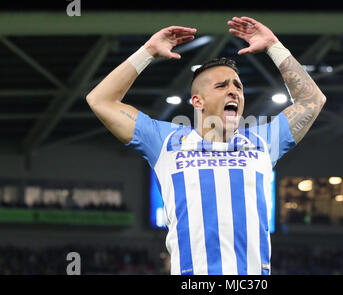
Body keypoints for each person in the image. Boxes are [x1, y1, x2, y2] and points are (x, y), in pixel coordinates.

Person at [86, 16, 326, 275]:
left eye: (238, 86)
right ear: (197, 102)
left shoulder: (262, 142)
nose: (234, 91)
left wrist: (274, 46)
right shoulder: (165, 142)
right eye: (222, 86)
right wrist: (148, 52)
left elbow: (312, 100)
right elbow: (101, 100)